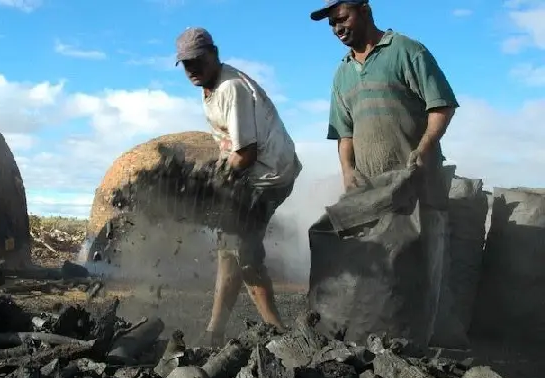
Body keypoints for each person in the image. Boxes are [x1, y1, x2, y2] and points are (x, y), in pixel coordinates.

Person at [311, 0, 459, 343]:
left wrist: (422, 150)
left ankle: (429, 351)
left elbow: (442, 107)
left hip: (418, 185)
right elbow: (344, 133)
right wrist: (347, 170)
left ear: (364, 9)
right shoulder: (343, 72)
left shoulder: (406, 51)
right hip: (372, 196)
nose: (337, 28)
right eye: (331, 24)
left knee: (424, 269)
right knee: (381, 274)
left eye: (342, 18)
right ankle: (382, 345)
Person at [174, 27, 302, 346]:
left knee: (243, 252)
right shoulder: (209, 88)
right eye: (185, 64)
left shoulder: (230, 88)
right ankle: (214, 331)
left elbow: (245, 154)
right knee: (228, 251)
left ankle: (279, 334)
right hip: (253, 172)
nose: (192, 69)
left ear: (214, 53)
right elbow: (230, 145)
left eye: (197, 61)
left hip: (269, 175)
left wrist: (210, 183)